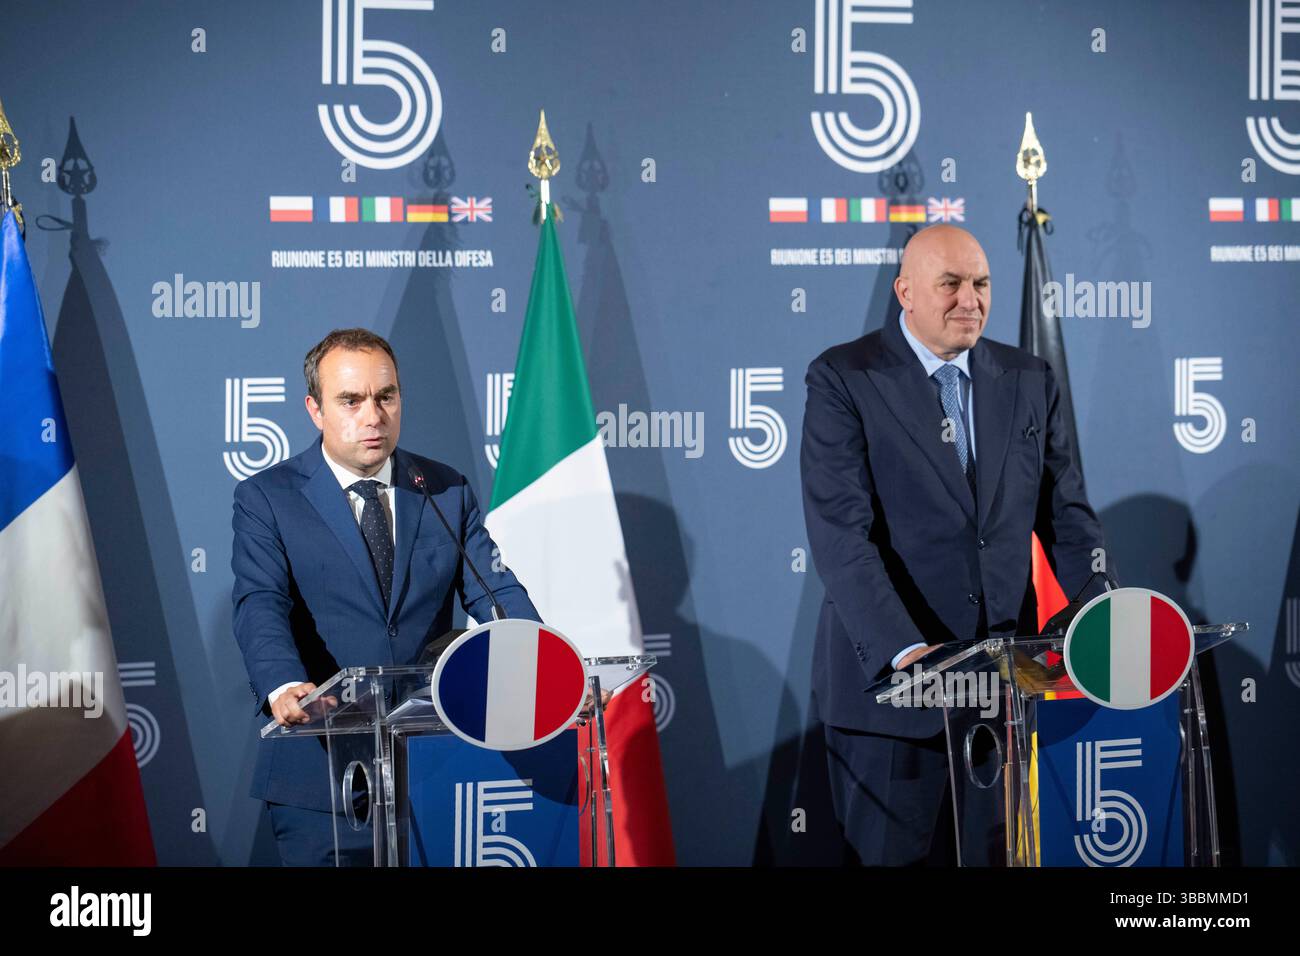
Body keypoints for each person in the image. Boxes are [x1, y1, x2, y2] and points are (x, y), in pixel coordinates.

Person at [800, 224, 1112, 865]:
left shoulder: (1029, 378)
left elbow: (1069, 520)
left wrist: (1101, 625)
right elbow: (841, 536)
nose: (969, 299)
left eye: (981, 284)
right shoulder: (843, 377)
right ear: (905, 292)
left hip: (1000, 696)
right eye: (951, 284)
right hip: (891, 704)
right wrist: (908, 653)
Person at [232, 328, 539, 866]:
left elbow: (496, 591)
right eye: (350, 400)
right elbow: (260, 601)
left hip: (435, 766)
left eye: (385, 396)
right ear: (315, 409)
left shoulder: (444, 488)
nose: (372, 416)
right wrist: (284, 685)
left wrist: (544, 669)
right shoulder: (267, 497)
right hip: (323, 773)